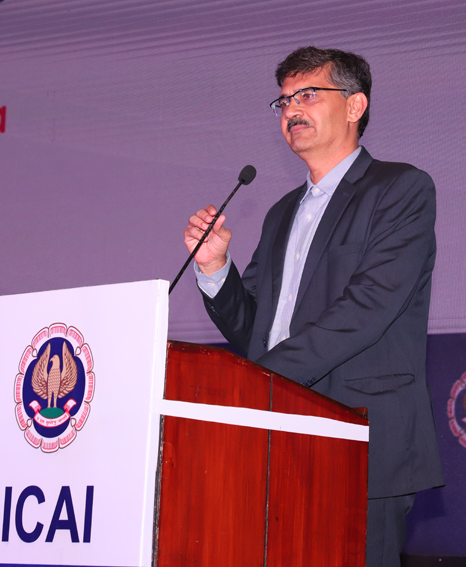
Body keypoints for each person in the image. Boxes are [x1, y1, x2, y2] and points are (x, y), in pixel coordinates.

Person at [184, 46, 444, 567]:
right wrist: (214, 268)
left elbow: (367, 308)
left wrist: (261, 382)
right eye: (283, 101)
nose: (291, 110)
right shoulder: (283, 212)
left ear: (355, 106)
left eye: (307, 95)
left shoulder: (400, 189)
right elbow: (256, 328)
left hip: (360, 435)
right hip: (279, 437)